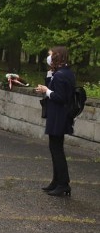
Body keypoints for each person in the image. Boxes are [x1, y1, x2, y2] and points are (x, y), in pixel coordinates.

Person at [35, 46, 76, 197]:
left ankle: (63, 183)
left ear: (57, 56)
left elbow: (60, 97)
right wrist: (48, 83)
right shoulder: (62, 73)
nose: (49, 57)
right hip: (59, 115)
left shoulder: (61, 75)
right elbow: (53, 87)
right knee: (55, 148)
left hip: (58, 116)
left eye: (51, 55)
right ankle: (57, 180)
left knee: (57, 150)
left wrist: (47, 91)